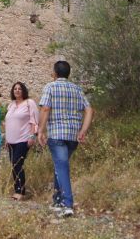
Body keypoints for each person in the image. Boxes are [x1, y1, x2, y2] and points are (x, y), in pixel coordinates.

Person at [38, 61, 94, 217]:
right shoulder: (77, 89)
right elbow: (89, 109)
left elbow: (45, 108)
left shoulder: (50, 87)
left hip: (56, 134)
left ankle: (68, 204)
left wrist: (40, 130)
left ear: (55, 73)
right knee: (60, 165)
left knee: (62, 167)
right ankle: (57, 200)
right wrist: (83, 130)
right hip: (73, 136)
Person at [4, 81, 39, 201]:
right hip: (11, 141)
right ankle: (17, 189)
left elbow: (35, 120)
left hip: (23, 139)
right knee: (14, 165)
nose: (17, 91)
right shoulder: (11, 105)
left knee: (17, 163)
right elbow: (9, 122)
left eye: (19, 89)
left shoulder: (29, 103)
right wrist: (6, 139)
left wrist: (33, 136)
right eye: (15, 89)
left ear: (23, 90)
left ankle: (20, 191)